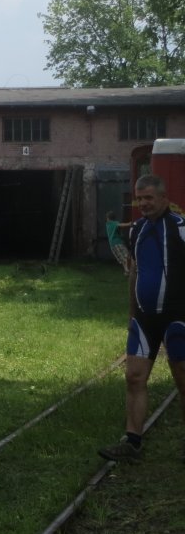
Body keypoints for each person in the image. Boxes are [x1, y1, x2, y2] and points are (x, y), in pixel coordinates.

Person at [99, 174, 185, 463]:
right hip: (144, 320)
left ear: (164, 198)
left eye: (149, 197)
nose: (144, 203)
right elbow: (133, 271)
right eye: (140, 198)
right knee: (134, 378)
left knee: (183, 381)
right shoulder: (136, 230)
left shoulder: (181, 228)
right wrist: (130, 313)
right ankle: (132, 441)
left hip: (178, 318)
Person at [105, 210, 132, 274]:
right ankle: (128, 270)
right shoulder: (112, 223)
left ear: (107, 218)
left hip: (113, 245)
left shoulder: (108, 224)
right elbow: (120, 225)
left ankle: (126, 270)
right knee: (126, 256)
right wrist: (129, 224)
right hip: (117, 243)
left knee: (123, 259)